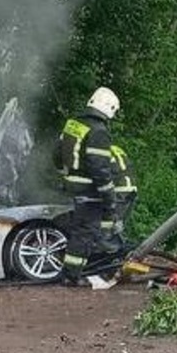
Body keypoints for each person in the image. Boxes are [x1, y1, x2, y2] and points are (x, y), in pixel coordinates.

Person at [54, 86, 121, 289]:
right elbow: (99, 167)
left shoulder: (73, 125)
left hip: (70, 185)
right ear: (109, 108)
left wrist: (64, 174)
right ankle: (71, 276)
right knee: (85, 232)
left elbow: (57, 153)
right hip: (89, 189)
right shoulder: (99, 131)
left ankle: (75, 266)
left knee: (77, 226)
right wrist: (109, 196)